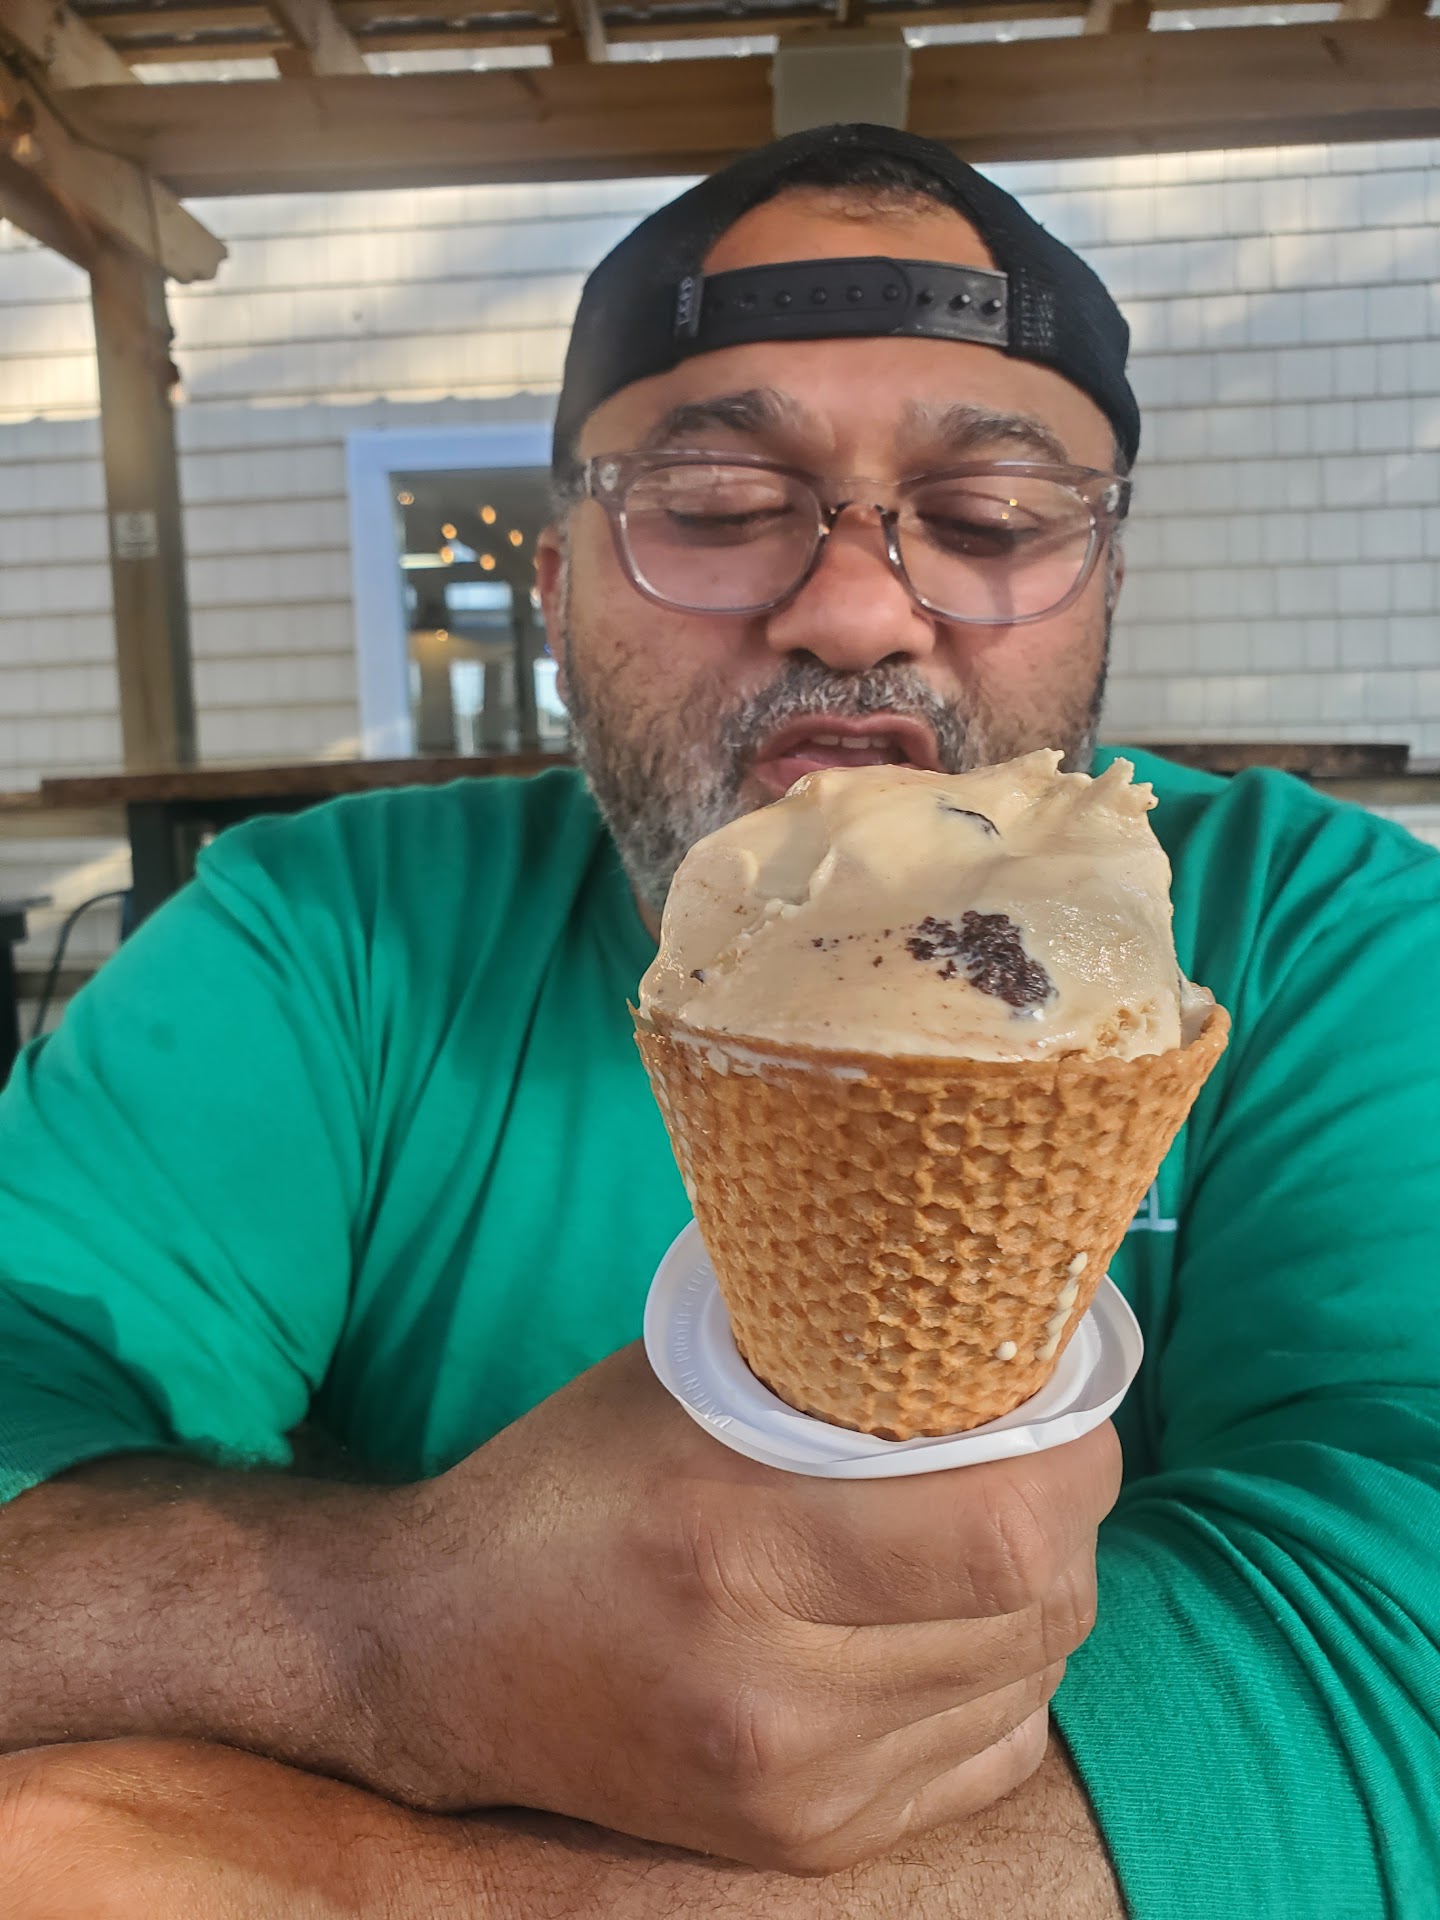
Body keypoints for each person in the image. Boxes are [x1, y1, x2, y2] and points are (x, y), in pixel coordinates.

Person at [1, 122, 1437, 1919]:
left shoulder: (1323, 936)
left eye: (992, 519)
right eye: (714, 507)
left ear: (1106, 591)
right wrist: (385, 1635)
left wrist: (386, 1877)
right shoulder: (320, 933)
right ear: (555, 594)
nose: (852, 608)